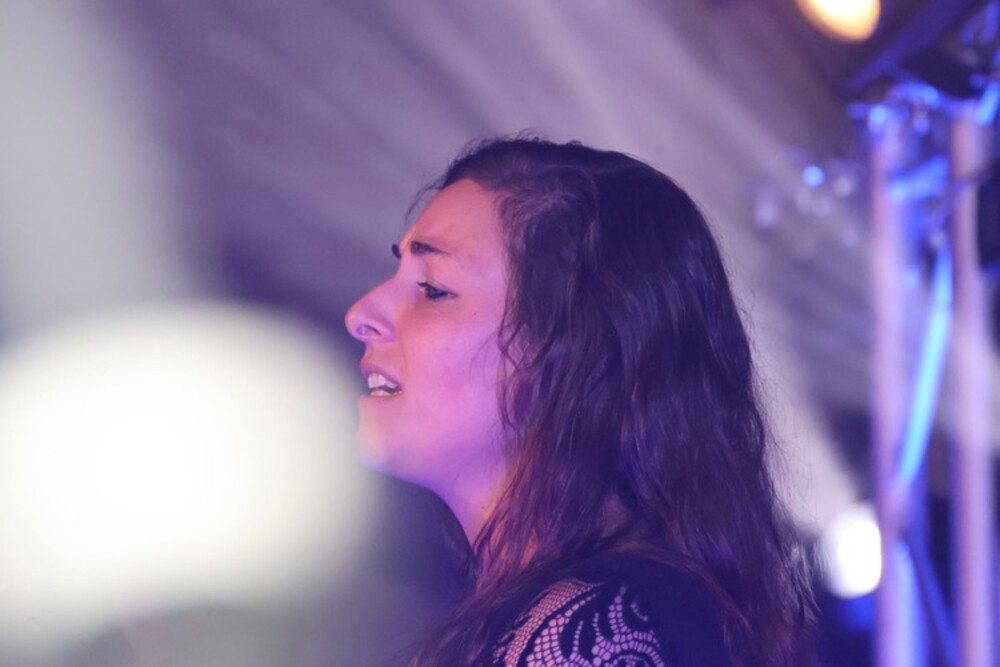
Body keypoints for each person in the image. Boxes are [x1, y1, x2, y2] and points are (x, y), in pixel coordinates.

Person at [345, 137, 815, 666]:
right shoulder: (559, 612)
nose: (361, 314)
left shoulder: (594, 624)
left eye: (433, 288)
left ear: (572, 353)